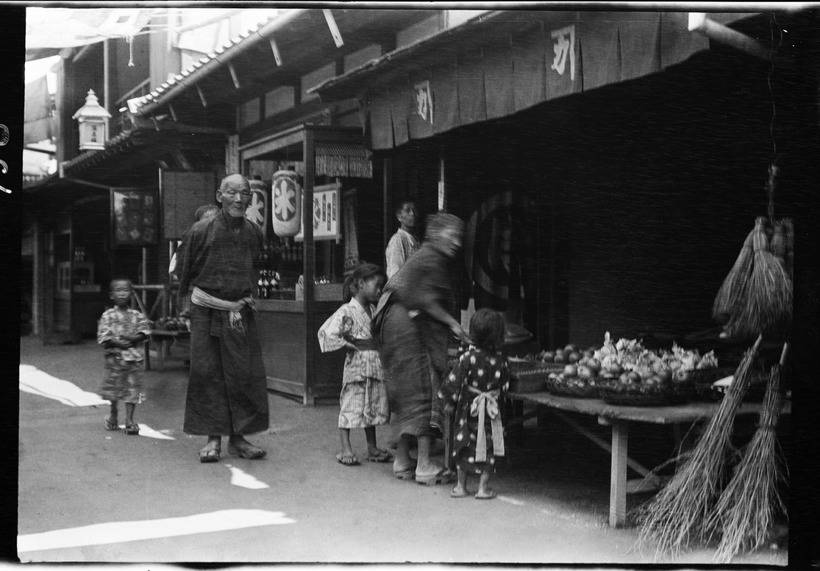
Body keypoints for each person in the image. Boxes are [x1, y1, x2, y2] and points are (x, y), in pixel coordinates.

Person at [372, 212, 470, 485]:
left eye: (459, 238)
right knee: (425, 388)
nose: (456, 243)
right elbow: (423, 298)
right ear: (436, 236)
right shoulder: (431, 257)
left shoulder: (425, 256)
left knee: (404, 390)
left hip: (392, 323)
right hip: (404, 323)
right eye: (452, 237)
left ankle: (402, 460)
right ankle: (424, 464)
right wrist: (453, 323)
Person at [176, 174, 268, 463]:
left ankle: (238, 438)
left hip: (239, 312)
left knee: (243, 373)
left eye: (245, 194)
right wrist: (186, 309)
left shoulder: (254, 232)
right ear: (219, 195)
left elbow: (256, 269)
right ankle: (213, 438)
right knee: (208, 373)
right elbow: (184, 273)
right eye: (232, 193)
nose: (239, 199)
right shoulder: (200, 231)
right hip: (206, 311)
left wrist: (247, 300)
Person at [318, 262, 392, 466]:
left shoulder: (373, 308)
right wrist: (347, 343)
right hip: (357, 365)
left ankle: (372, 447)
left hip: (374, 362)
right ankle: (345, 448)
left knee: (371, 404)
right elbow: (327, 332)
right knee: (351, 404)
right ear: (360, 283)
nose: (379, 290)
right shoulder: (347, 310)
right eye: (376, 285)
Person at [438, 308, 510, 499]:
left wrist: (448, 402)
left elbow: (452, 382)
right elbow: (505, 386)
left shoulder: (467, 358)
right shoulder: (501, 361)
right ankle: (483, 488)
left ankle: (461, 486)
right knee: (488, 445)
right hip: (490, 411)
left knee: (463, 442)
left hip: (468, 409)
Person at [97, 278, 152, 435]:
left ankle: (129, 420)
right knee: (114, 389)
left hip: (133, 360)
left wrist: (133, 339)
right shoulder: (108, 315)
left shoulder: (137, 315)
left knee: (132, 389)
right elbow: (104, 337)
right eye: (118, 291)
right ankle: (113, 413)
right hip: (114, 359)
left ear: (131, 294)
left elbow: (144, 332)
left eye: (126, 290)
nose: (122, 294)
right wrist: (119, 343)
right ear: (111, 295)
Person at [169, 203, 219, 280]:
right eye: (207, 219)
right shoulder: (190, 239)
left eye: (214, 219)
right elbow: (177, 269)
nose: (210, 223)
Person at [384, 201, 420, 280]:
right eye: (408, 211)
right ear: (399, 216)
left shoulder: (416, 240)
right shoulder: (397, 240)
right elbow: (395, 275)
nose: (412, 214)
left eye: (414, 210)